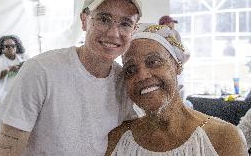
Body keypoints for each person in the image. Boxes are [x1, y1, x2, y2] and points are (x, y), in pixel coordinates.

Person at [0, 0, 142, 156]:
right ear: (84, 20)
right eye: (104, 19)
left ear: (134, 30)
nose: (113, 33)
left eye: (125, 23)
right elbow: (7, 149)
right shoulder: (41, 70)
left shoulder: (123, 83)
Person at [106, 23, 248, 156]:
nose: (142, 75)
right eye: (130, 69)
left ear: (177, 65)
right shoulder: (118, 139)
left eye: (153, 62)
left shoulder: (223, 138)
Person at [0, 35, 27, 137]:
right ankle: (0, 134)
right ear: (2, 49)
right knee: (2, 106)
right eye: (7, 46)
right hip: (3, 93)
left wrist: (23, 68)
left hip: (20, 91)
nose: (10, 48)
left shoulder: (23, 58)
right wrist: (8, 70)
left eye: (13, 46)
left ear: (16, 47)